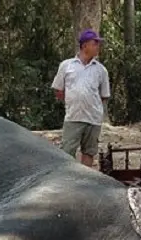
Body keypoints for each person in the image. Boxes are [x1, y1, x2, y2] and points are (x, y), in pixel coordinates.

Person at [51, 29, 111, 167]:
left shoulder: (101, 70)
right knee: (66, 151)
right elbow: (58, 90)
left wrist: (91, 105)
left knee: (89, 152)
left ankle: (85, 182)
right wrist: (72, 101)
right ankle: (68, 181)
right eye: (95, 43)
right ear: (85, 46)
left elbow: (103, 96)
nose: (98, 47)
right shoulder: (66, 66)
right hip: (73, 117)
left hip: (93, 118)